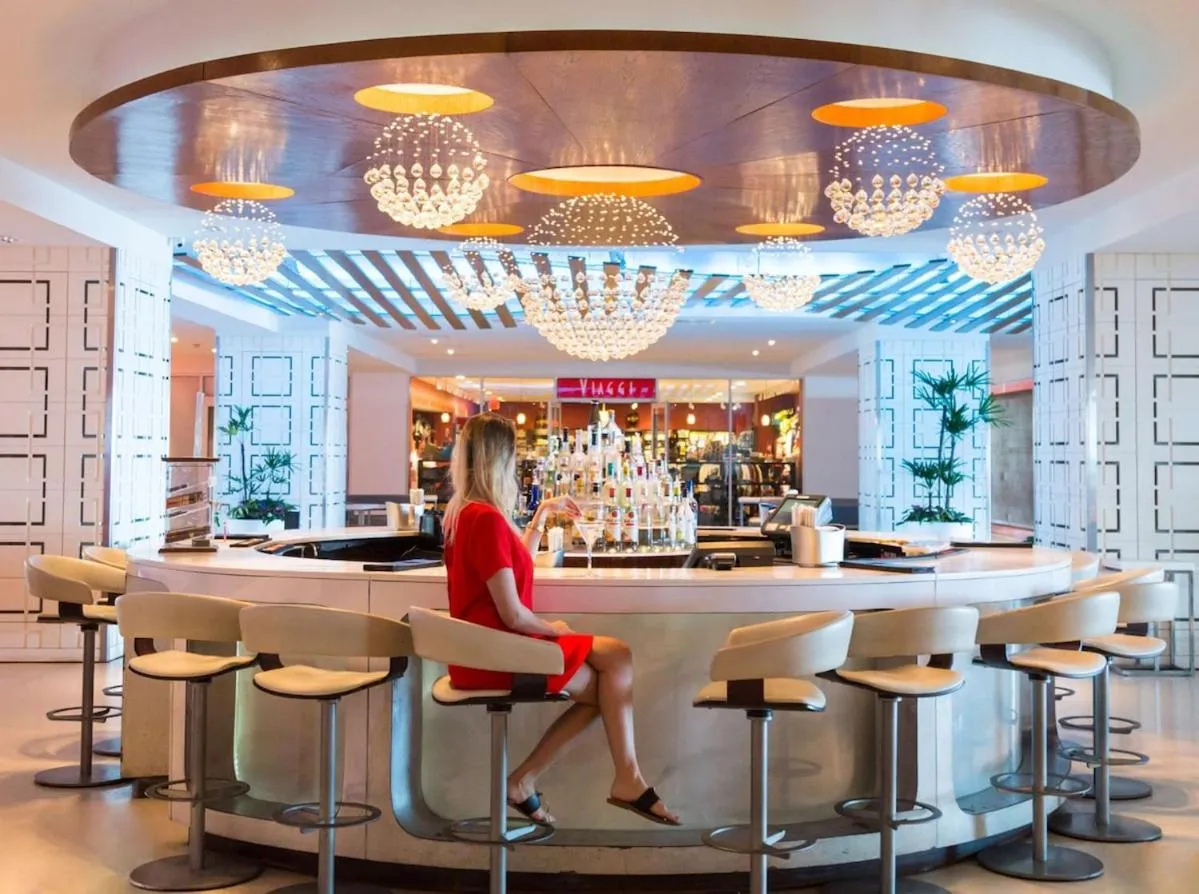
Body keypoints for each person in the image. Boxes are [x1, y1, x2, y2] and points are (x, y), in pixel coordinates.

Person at [442, 412, 679, 826]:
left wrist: (540, 518)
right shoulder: (487, 520)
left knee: (608, 684)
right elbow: (513, 613)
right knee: (616, 660)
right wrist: (554, 628)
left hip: (479, 652)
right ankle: (623, 780)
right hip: (500, 654)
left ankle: (538, 781)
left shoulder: (465, 514)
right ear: (501, 460)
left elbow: (511, 567)